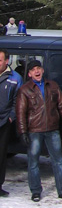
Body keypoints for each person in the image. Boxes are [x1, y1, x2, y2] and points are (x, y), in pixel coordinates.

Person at [16, 60, 62, 202]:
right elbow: (20, 113)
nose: (36, 71)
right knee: (33, 162)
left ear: (42, 71)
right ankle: (36, 191)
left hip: (52, 129)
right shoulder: (24, 90)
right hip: (34, 130)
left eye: (38, 68)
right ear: (29, 74)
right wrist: (23, 132)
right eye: (33, 70)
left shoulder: (53, 86)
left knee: (59, 161)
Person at [0, 50, 22, 196]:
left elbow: (17, 101)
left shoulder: (15, 78)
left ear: (7, 61)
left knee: (1, 155)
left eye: (0, 60)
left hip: (3, 122)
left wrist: (11, 117)